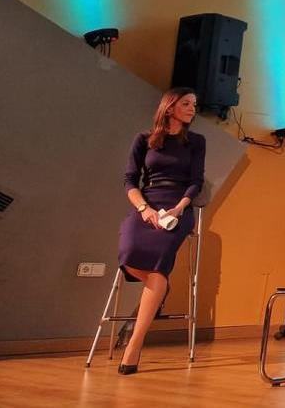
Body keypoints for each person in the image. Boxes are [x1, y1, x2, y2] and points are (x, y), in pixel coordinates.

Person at [116, 87, 205, 375]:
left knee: (157, 268)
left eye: (194, 104)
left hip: (178, 207)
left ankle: (134, 346)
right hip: (147, 203)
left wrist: (179, 209)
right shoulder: (143, 140)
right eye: (187, 103)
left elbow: (196, 182)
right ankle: (161, 289)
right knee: (129, 254)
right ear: (170, 108)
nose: (193, 108)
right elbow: (130, 180)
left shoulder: (196, 141)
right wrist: (144, 209)